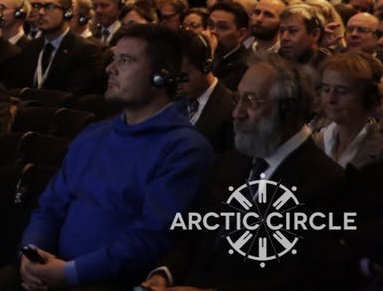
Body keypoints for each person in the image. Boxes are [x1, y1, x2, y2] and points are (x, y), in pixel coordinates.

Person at [0, 25, 215, 290]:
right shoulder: (94, 134)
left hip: (105, 281)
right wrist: (31, 254)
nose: (110, 68)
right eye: (114, 58)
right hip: (49, 271)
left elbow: (149, 237)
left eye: (125, 61)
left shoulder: (184, 148)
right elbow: (50, 206)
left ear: (160, 78)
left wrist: (69, 273)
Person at [146, 57, 349, 290]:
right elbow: (196, 232)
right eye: (237, 99)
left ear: (287, 110)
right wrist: (165, 274)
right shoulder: (232, 162)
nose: (237, 113)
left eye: (251, 101)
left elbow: (299, 279)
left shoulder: (325, 182)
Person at [11, 0, 106, 94]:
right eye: (38, 6)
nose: (41, 12)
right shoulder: (29, 47)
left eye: (49, 7)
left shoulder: (85, 50)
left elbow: (77, 95)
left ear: (68, 13)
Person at [312, 51, 383, 168]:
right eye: (326, 89)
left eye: (341, 92)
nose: (331, 99)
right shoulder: (317, 140)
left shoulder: (379, 147)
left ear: (367, 96)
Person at [177, 29, 234, 153]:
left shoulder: (231, 108)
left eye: (183, 77)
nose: (177, 85)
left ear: (206, 66)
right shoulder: (170, 101)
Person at [207, 0, 251, 90]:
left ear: (241, 34)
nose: (213, 32)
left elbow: (213, 95)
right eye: (211, 25)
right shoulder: (204, 54)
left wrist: (209, 54)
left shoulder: (245, 66)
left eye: (222, 27)